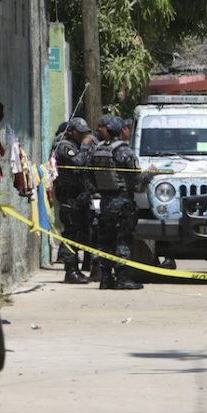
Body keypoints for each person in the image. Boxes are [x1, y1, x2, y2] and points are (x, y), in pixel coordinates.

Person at [88, 116, 144, 290]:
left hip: (105, 202)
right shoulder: (125, 151)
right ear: (121, 131)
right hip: (122, 201)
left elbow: (89, 175)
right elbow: (136, 178)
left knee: (105, 240)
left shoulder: (96, 150)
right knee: (123, 239)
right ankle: (122, 278)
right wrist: (149, 176)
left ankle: (105, 278)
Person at [52, 117, 94, 284]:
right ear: (71, 131)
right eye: (81, 133)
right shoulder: (65, 147)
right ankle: (70, 271)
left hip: (79, 196)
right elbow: (78, 163)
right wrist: (85, 147)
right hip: (69, 197)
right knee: (71, 234)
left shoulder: (74, 146)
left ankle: (76, 269)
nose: (83, 136)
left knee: (80, 233)